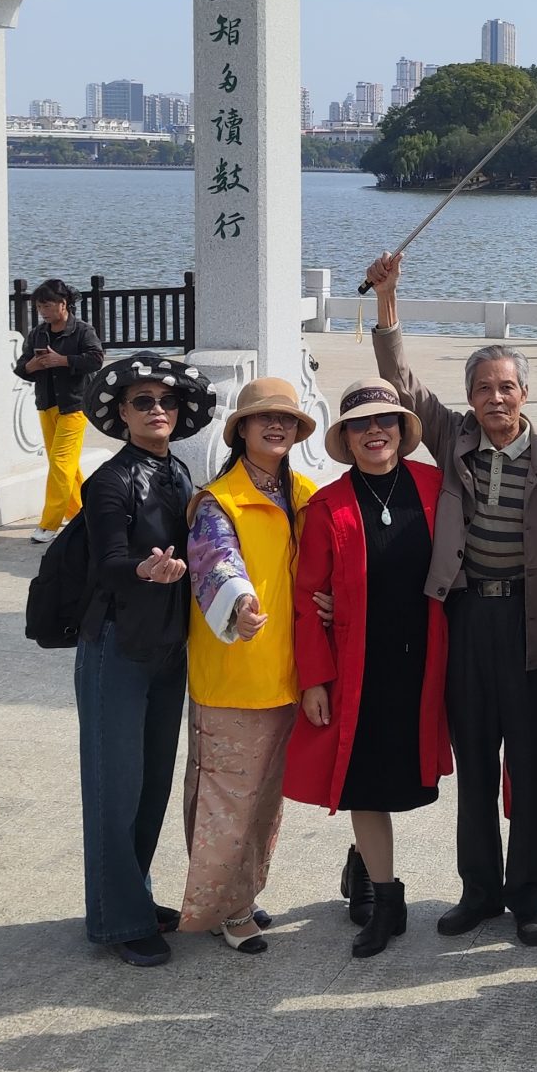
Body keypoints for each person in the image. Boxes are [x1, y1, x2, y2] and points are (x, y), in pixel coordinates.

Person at [365, 251, 537, 947]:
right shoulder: (453, 439)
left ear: (525, 394)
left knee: (531, 767)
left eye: (507, 387)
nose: (495, 398)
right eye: (483, 388)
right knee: (476, 763)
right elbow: (401, 382)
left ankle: (530, 897)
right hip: (466, 617)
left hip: (531, 626)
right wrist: (388, 300)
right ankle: (479, 890)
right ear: (471, 397)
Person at [284, 378, 453, 958]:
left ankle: (364, 866)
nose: (374, 432)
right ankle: (386, 901)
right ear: (347, 438)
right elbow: (306, 600)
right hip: (360, 666)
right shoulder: (327, 507)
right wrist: (314, 678)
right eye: (361, 424)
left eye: (385, 421)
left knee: (405, 779)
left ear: (402, 431)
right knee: (364, 784)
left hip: (426, 663)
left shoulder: (436, 487)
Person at [76, 352, 218, 967]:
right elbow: (106, 559)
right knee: (115, 784)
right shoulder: (109, 481)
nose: (157, 410)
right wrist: (143, 569)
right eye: (143, 402)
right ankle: (117, 919)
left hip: (167, 644)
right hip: (116, 644)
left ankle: (132, 895)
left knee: (154, 780)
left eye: (166, 401)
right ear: (123, 414)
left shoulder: (178, 472)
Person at [177, 377, 317, 954]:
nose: (276, 426)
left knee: (263, 801)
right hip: (233, 675)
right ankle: (225, 909)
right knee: (225, 799)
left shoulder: (304, 494)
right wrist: (238, 603)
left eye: (286, 419)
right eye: (264, 418)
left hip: (286, 675)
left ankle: (244, 892)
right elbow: (215, 559)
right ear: (242, 431)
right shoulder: (219, 501)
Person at [16, 278, 105, 545]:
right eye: (38, 307)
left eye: (47, 305)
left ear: (63, 304)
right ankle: (82, 514)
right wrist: (33, 365)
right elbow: (22, 367)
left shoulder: (82, 331)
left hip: (74, 406)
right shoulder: (38, 333)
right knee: (64, 465)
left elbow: (96, 359)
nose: (42, 311)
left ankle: (49, 523)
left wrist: (62, 360)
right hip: (46, 404)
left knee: (61, 463)